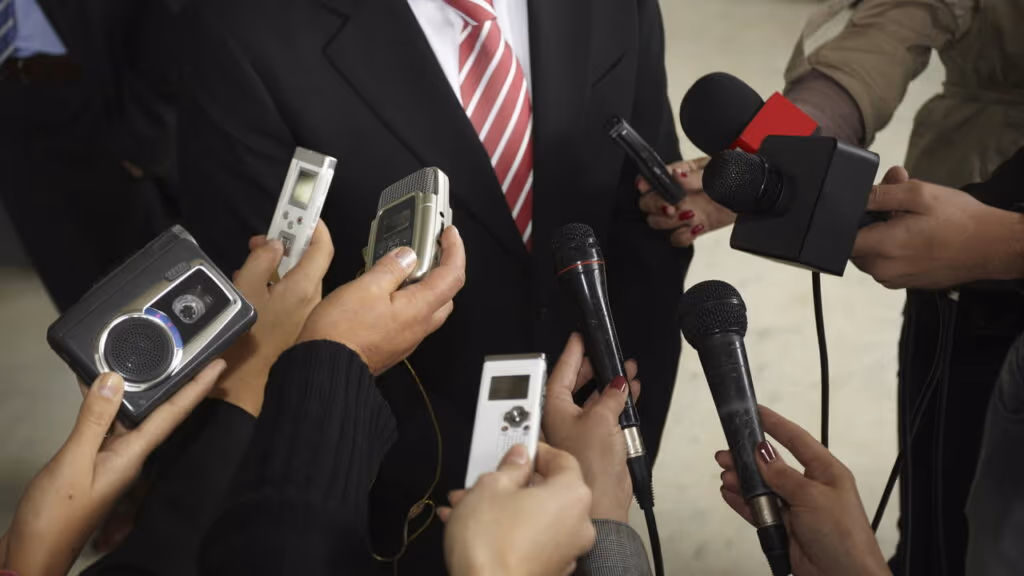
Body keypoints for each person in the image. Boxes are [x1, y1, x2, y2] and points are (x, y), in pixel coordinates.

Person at [176, 0, 689, 569]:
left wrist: (625, 404)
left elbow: (649, 210)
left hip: (604, 424)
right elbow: (269, 313)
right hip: (413, 484)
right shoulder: (239, 32)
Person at [640, 2, 1024, 572]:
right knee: (937, 527)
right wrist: (790, 155)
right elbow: (902, 16)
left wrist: (1005, 244)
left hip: (972, 237)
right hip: (954, 237)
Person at [0, 0, 179, 312]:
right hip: (17, 120)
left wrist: (146, 132)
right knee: (85, 311)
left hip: (111, 107)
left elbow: (162, 16)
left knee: (168, 298)